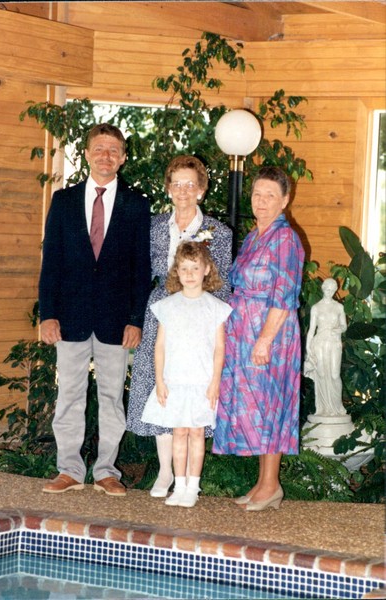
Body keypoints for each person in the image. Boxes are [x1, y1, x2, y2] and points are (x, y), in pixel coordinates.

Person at [39, 123, 151, 496]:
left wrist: (135, 319)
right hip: (69, 317)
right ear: (87, 154)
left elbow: (141, 269)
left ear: (123, 157)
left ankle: (106, 471)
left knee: (111, 399)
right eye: (99, 149)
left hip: (116, 322)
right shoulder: (64, 201)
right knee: (69, 395)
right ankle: (69, 469)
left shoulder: (136, 206)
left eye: (113, 150)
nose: (106, 156)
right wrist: (47, 314)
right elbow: (51, 262)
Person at [126, 155, 232, 498]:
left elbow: (223, 285)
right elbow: (140, 274)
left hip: (199, 317)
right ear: (168, 188)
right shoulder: (154, 226)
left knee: (192, 392)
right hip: (162, 312)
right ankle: (165, 472)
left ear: (201, 189)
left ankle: (189, 480)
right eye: (177, 184)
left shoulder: (219, 232)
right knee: (163, 390)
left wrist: (207, 319)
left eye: (190, 184)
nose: (183, 191)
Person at [212, 166, 305, 512]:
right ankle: (265, 483)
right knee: (260, 407)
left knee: (272, 406)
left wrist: (264, 340)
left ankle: (271, 485)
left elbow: (285, 295)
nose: (262, 201)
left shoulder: (285, 239)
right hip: (244, 332)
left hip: (272, 334)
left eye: (270, 195)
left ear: (285, 200)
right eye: (257, 194)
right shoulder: (255, 236)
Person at [141, 242, 232, 507]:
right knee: (178, 432)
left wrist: (215, 382)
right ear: (176, 272)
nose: (190, 274)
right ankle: (179, 485)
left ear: (206, 270)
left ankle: (193, 486)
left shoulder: (215, 307)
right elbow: (159, 346)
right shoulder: (168, 306)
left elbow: (220, 348)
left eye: (195, 268)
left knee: (196, 433)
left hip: (201, 383)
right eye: (184, 269)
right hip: (175, 382)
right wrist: (160, 381)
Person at [303, 278, 347, 417]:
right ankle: (323, 409)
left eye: (333, 290)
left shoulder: (339, 307)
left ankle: (337, 407)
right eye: (328, 289)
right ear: (323, 289)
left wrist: (338, 330)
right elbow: (311, 330)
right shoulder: (316, 307)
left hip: (334, 342)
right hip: (319, 343)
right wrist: (308, 348)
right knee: (321, 374)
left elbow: (344, 326)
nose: (330, 292)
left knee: (334, 375)